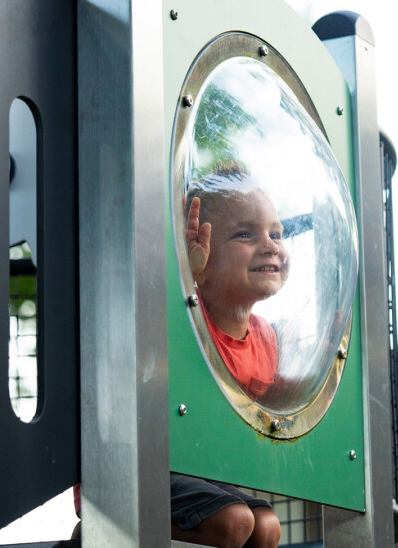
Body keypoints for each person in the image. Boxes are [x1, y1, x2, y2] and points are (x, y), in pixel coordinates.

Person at [166, 166, 286, 548]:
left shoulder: (266, 339)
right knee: (235, 520)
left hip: (205, 471)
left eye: (276, 233)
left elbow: (283, 399)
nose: (270, 245)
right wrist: (183, 274)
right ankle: (112, 524)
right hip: (154, 462)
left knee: (267, 527)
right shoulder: (186, 316)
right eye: (245, 234)